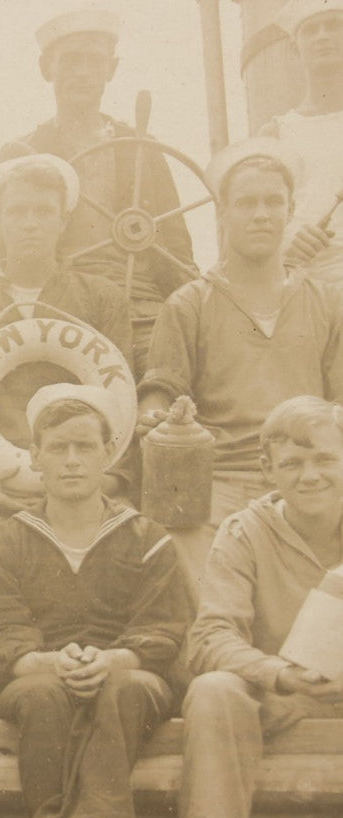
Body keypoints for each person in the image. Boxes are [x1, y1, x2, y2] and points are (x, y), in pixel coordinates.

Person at [0, 385, 191, 818]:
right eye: (57, 448)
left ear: (107, 454)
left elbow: (164, 630)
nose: (71, 460)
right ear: (35, 457)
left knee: (122, 688)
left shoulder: (148, 538)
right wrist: (44, 662)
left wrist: (115, 658)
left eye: (84, 448)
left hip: (131, 676)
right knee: (42, 696)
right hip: (38, 677)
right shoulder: (4, 542)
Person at [176, 395, 343, 818]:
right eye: (291, 463)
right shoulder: (244, 532)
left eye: (324, 458)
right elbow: (209, 638)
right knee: (213, 689)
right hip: (283, 705)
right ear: (267, 471)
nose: (311, 474)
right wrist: (279, 674)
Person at [139, 140, 343, 580]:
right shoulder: (188, 304)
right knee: (187, 559)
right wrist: (155, 417)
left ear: (290, 212)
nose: (262, 214)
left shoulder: (327, 303)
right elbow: (160, 394)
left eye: (274, 202)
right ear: (223, 214)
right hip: (219, 485)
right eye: (247, 203)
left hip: (309, 477)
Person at [0, 7, 195, 369]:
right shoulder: (21, 152)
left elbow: (178, 251)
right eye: (71, 61)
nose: (83, 73)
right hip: (54, 303)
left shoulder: (141, 148)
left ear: (111, 69)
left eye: (94, 61)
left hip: (140, 306)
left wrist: (189, 318)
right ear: (47, 68)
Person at [0, 154, 133, 543]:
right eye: (18, 211)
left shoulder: (102, 299)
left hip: (87, 488)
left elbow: (123, 410)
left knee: (127, 552)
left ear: (62, 222)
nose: (30, 223)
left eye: (44, 211)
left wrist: (89, 485)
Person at [264, 0, 343, 285]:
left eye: (334, 26)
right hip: (304, 290)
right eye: (311, 30)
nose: (323, 35)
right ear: (295, 49)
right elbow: (258, 221)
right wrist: (289, 244)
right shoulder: (275, 134)